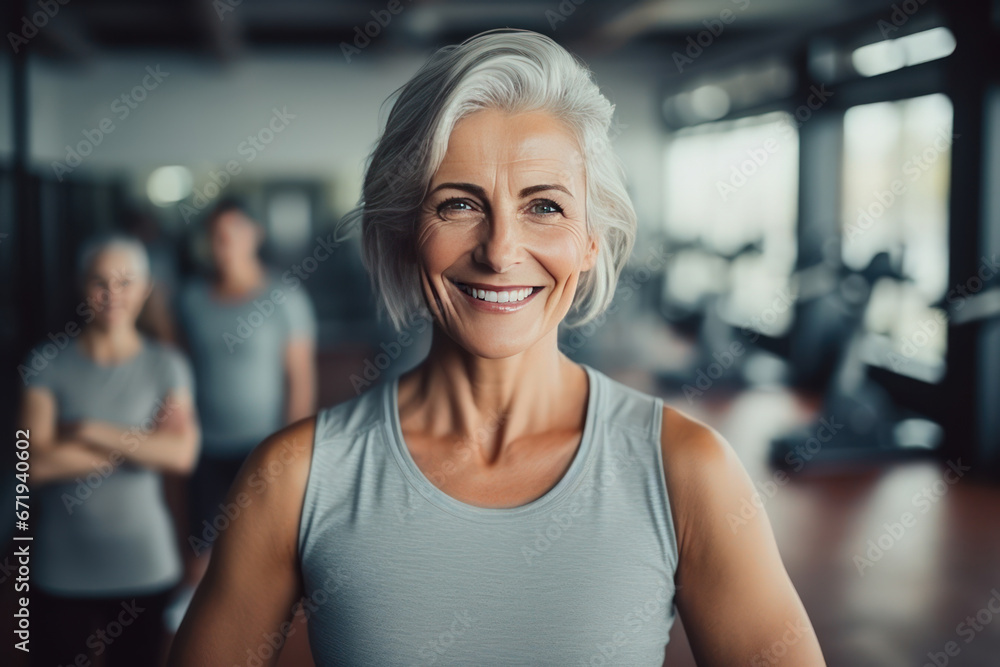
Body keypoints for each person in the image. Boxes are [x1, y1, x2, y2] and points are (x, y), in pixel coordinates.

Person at [168, 30, 827, 666]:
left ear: (591, 240)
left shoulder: (689, 471)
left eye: (544, 207)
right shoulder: (294, 477)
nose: (501, 250)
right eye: (459, 204)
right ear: (405, 234)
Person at [18, 233, 200, 667]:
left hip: (144, 564)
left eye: (125, 281)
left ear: (145, 287)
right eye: (100, 281)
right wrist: (142, 443)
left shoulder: (166, 364)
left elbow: (181, 455)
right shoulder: (46, 362)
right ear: (82, 286)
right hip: (59, 569)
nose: (111, 294)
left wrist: (85, 429)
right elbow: (33, 463)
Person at [173, 198, 317, 595]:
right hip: (204, 444)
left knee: (260, 543)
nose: (225, 242)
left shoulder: (285, 298)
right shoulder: (191, 299)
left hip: (262, 445)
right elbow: (178, 370)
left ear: (255, 235)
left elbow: (300, 379)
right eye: (217, 234)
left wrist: (291, 448)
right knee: (201, 547)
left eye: (235, 232)